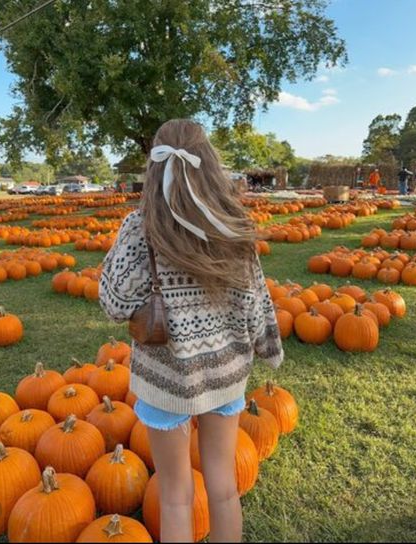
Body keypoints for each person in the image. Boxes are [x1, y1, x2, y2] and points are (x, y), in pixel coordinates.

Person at [99, 119, 283, 543]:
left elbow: (114, 303)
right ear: (211, 165)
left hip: (166, 381)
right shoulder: (233, 226)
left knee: (176, 497)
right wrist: (267, 346)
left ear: (153, 168)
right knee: (222, 487)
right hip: (226, 375)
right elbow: (256, 300)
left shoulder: (141, 227)